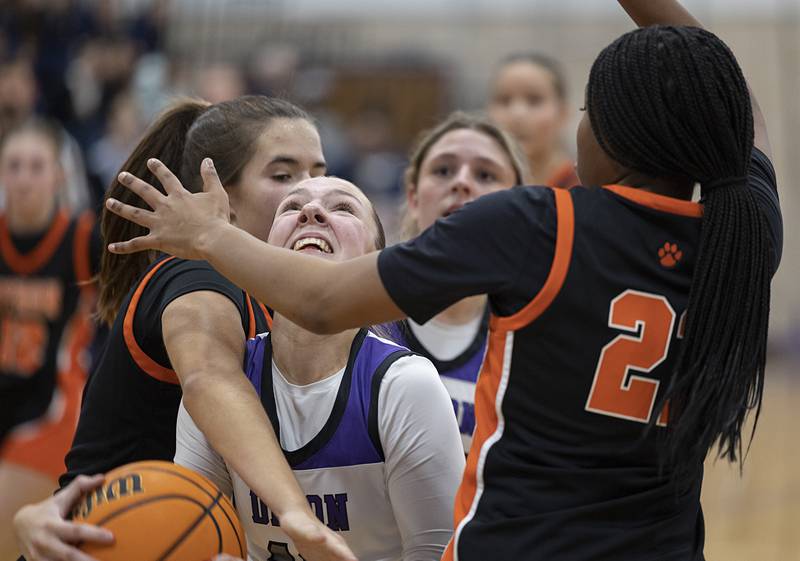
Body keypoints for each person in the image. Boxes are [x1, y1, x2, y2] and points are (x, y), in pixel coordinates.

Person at [105, 0, 783, 558]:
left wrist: (208, 234)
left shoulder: (544, 224)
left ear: (616, 135)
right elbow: (737, 114)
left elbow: (322, 299)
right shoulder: (747, 230)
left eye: (586, 113)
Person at [14, 97, 356, 561]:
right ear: (219, 199)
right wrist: (295, 513)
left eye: (319, 172)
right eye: (284, 175)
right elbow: (209, 378)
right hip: (106, 542)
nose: (311, 192)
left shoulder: (274, 301)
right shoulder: (199, 279)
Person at [177, 176, 465, 561]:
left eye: (343, 207)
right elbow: (192, 540)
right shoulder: (223, 382)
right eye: (291, 206)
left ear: (376, 260)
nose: (311, 211)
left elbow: (439, 554)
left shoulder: (403, 384)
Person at [392, 112, 528, 453]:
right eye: (443, 170)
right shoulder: (360, 320)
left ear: (518, 206)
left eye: (485, 174)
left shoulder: (531, 334)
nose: (462, 182)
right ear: (413, 196)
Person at [0, 120, 99, 560]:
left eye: (36, 166)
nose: (24, 178)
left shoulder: (83, 237)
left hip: (49, 409)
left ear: (58, 175)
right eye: (14, 166)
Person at [488, 52, 580, 188]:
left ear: (563, 113)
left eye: (534, 100)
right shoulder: (475, 190)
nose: (517, 114)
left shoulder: (584, 189)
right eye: (504, 100)